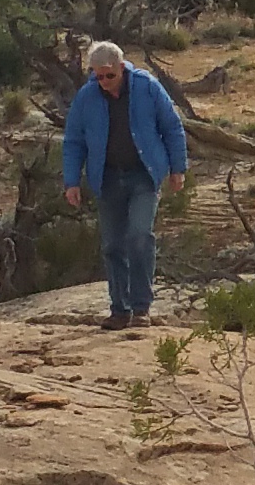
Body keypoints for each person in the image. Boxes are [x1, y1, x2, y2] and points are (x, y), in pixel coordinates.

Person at [57, 37, 191, 327]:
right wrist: (71, 181)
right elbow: (74, 141)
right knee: (113, 245)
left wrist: (177, 168)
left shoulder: (147, 87)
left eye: (109, 74)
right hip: (106, 178)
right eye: (98, 75)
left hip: (144, 175)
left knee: (139, 236)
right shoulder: (87, 96)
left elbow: (172, 126)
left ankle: (141, 308)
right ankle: (120, 309)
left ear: (121, 66)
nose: (104, 81)